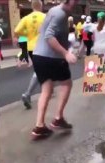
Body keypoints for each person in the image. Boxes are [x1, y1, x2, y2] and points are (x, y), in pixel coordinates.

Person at [31, 0, 79, 139]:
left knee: (46, 90)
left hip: (39, 56)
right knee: (66, 83)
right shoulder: (60, 14)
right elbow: (49, 36)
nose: (75, 6)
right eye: (74, 3)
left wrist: (66, 43)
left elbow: (46, 30)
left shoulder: (53, 10)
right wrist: (66, 53)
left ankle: (39, 126)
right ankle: (58, 118)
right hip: (52, 58)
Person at [14, 0, 46, 109]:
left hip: (31, 47)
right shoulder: (45, 17)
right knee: (41, 70)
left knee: (40, 69)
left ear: (32, 7)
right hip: (43, 46)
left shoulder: (26, 18)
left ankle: (45, 90)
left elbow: (16, 31)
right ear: (41, 7)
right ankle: (27, 94)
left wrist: (27, 35)